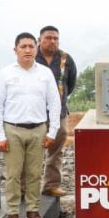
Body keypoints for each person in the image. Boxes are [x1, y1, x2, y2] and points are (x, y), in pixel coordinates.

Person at [0, 32, 59, 218]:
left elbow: (54, 103)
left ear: (36, 49)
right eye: (23, 47)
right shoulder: (6, 73)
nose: (27, 50)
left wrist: (52, 131)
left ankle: (33, 210)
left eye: (31, 46)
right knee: (13, 174)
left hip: (38, 129)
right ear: (15, 50)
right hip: (13, 129)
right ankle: (12, 212)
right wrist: (0, 135)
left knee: (34, 173)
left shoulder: (45, 73)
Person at [35, 25, 77, 198]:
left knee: (56, 150)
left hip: (58, 114)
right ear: (39, 40)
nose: (52, 41)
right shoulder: (31, 56)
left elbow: (71, 84)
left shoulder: (66, 59)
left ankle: (51, 185)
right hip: (34, 113)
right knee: (32, 151)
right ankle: (27, 188)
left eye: (55, 38)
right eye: (48, 38)